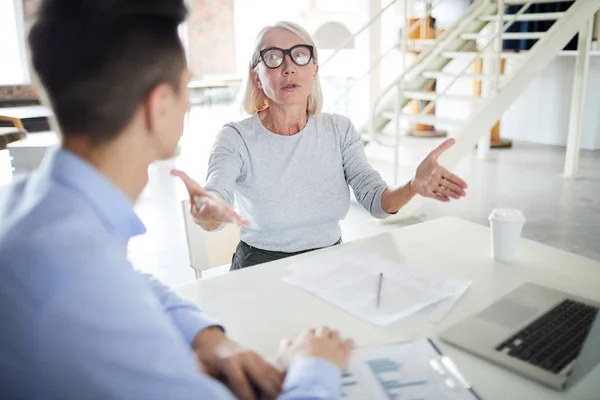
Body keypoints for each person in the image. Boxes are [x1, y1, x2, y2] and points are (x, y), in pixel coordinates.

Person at [0, 1, 353, 399]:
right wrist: (314, 367)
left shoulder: (34, 210)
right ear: (159, 106)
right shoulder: (78, 288)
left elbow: (130, 279)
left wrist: (206, 336)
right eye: (186, 86)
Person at [173, 21, 468, 270]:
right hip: (260, 268)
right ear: (257, 77)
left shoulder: (339, 130)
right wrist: (208, 214)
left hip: (332, 262)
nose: (288, 68)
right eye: (274, 58)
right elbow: (217, 198)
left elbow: (378, 202)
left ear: (314, 69)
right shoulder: (235, 138)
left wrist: (413, 186)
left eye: (299, 55)